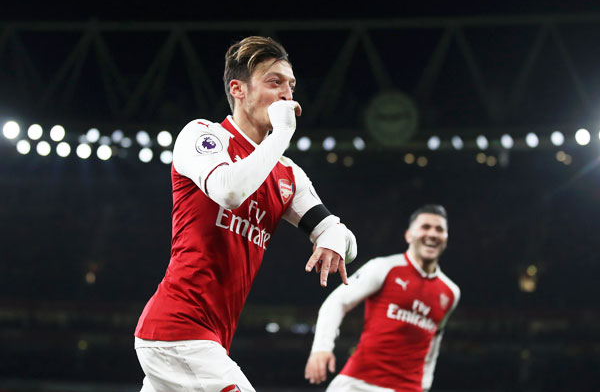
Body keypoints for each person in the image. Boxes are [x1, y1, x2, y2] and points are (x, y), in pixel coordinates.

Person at [134, 36, 357, 392]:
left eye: (292, 85)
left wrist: (332, 237)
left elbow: (343, 237)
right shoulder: (202, 136)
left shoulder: (288, 174)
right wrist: (281, 134)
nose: (288, 94)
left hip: (210, 338)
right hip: (179, 330)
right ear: (238, 89)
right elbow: (229, 191)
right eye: (274, 82)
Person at [304, 204, 459, 392]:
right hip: (359, 384)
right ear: (409, 235)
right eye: (425, 227)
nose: (433, 234)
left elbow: (434, 342)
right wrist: (322, 347)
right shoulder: (384, 267)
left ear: (446, 238)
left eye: (439, 229)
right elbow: (337, 301)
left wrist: (425, 383)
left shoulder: (450, 293)